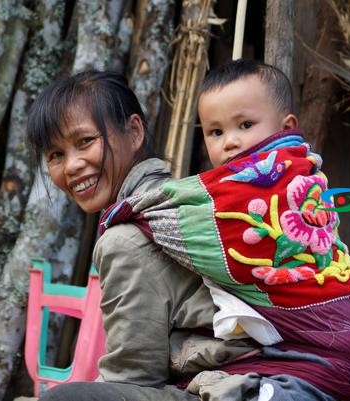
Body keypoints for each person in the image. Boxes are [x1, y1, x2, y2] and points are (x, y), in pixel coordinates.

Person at [99, 59, 350, 401]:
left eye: (245, 124)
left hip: (320, 349)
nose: (230, 141)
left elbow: (188, 216)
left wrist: (131, 209)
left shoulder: (278, 180)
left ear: (285, 127)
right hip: (338, 350)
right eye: (216, 132)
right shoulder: (296, 176)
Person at [27, 70, 257, 401]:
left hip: (240, 387)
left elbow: (133, 379)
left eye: (85, 142)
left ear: (134, 132)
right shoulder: (172, 202)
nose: (71, 166)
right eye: (56, 155)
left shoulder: (126, 239)